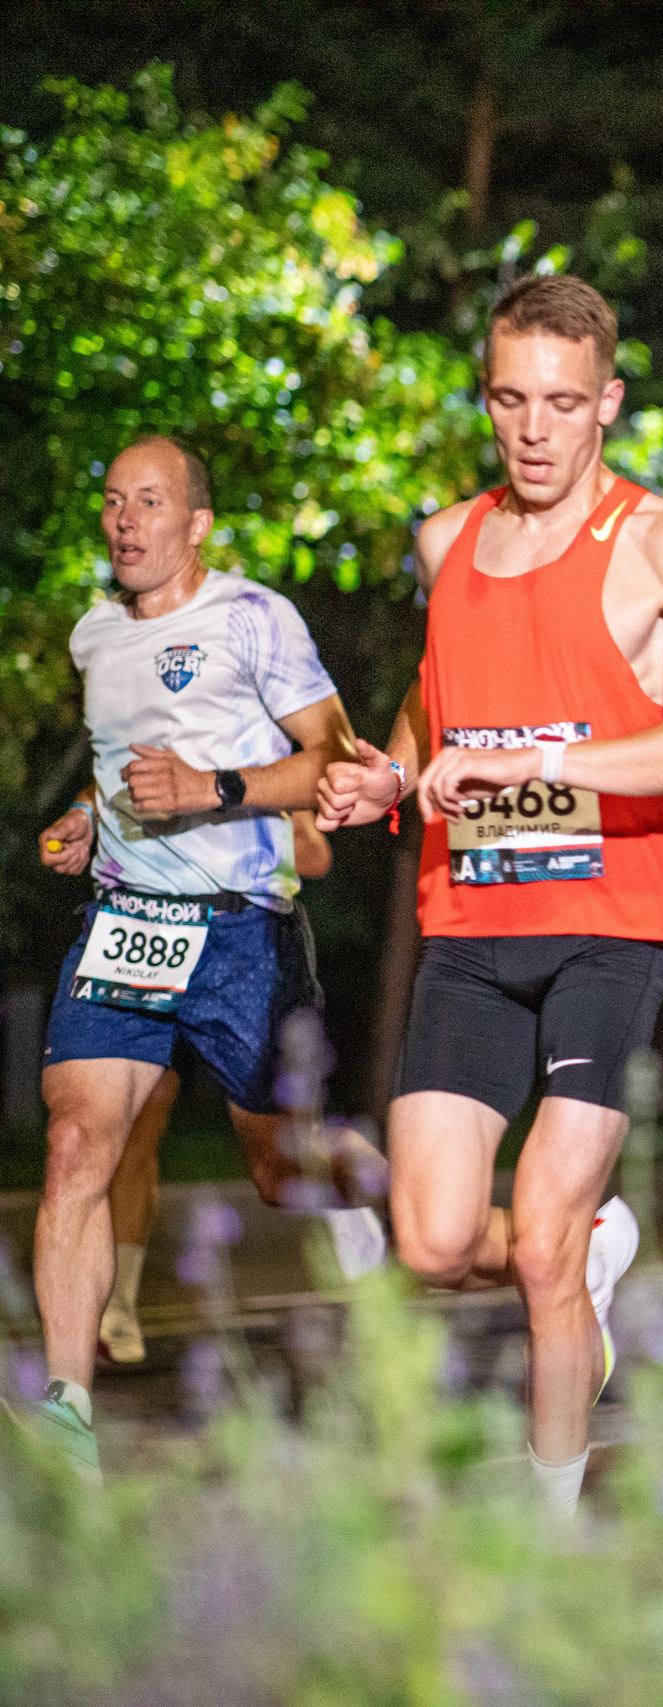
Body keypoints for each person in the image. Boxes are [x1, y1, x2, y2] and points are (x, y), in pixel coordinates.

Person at [315, 275, 663, 1513]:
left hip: (609, 930)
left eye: (563, 404)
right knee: (435, 1243)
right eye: (511, 400)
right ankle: (600, 1253)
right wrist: (395, 771)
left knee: (545, 1239)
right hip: (471, 927)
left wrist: (538, 763)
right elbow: (434, 689)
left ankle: (550, 1538)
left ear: (608, 401)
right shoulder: (447, 540)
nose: (534, 430)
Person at [25, 436, 385, 1481]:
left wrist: (214, 790)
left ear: (196, 525)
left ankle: (373, 1187)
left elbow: (335, 757)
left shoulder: (253, 618)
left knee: (282, 1167)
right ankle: (67, 1410)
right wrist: (86, 821)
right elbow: (119, 774)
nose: (127, 519)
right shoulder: (95, 635)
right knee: (77, 1144)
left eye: (151, 501)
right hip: (128, 921)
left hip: (239, 930)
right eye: (112, 499)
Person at [96, 811, 335, 1366]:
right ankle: (118, 1306)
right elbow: (105, 788)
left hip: (241, 944)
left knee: (279, 1171)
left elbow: (314, 854)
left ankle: (387, 1208)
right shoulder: (137, 732)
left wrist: (223, 819)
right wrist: (88, 813)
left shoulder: (251, 736)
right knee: (134, 1120)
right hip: (145, 931)